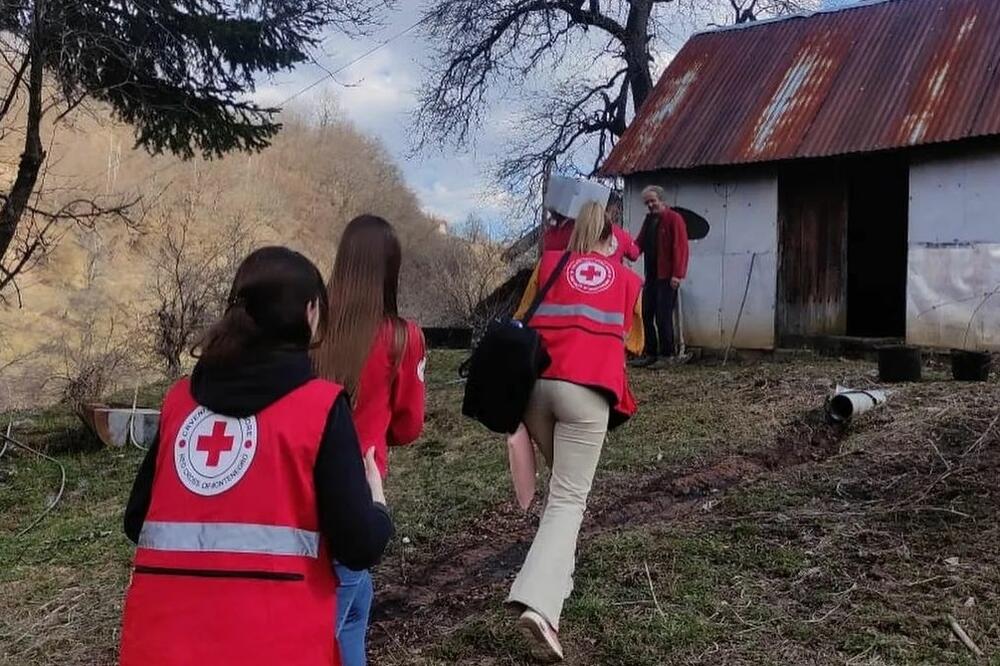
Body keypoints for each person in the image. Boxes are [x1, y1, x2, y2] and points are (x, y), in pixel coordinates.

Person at [119, 247, 393, 666]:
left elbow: (138, 521)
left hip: (160, 647)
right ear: (311, 312)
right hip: (277, 645)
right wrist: (377, 505)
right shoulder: (319, 408)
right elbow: (357, 545)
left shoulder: (178, 403)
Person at [507, 200, 643, 662]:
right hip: (586, 394)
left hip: (534, 391)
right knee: (569, 498)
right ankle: (541, 606)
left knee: (560, 491)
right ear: (611, 239)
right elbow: (635, 340)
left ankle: (558, 579)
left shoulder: (548, 263)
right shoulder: (627, 280)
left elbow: (522, 316)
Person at [313, 215, 427, 666]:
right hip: (358, 492)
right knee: (328, 625)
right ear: (390, 272)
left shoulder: (312, 325)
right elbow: (408, 427)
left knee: (357, 606)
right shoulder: (403, 336)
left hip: (299, 481)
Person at [631, 185, 689, 369]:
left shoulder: (674, 219)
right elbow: (637, 245)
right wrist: (622, 250)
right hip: (651, 276)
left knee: (663, 316)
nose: (649, 205)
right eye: (647, 202)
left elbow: (680, 248)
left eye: (652, 201)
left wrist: (677, 275)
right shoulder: (649, 221)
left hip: (667, 276)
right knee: (647, 314)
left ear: (661, 200)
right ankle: (651, 353)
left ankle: (667, 354)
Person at [542, 194, 640, 265]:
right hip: (614, 286)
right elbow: (634, 253)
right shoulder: (620, 234)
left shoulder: (572, 229)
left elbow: (549, 247)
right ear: (610, 209)